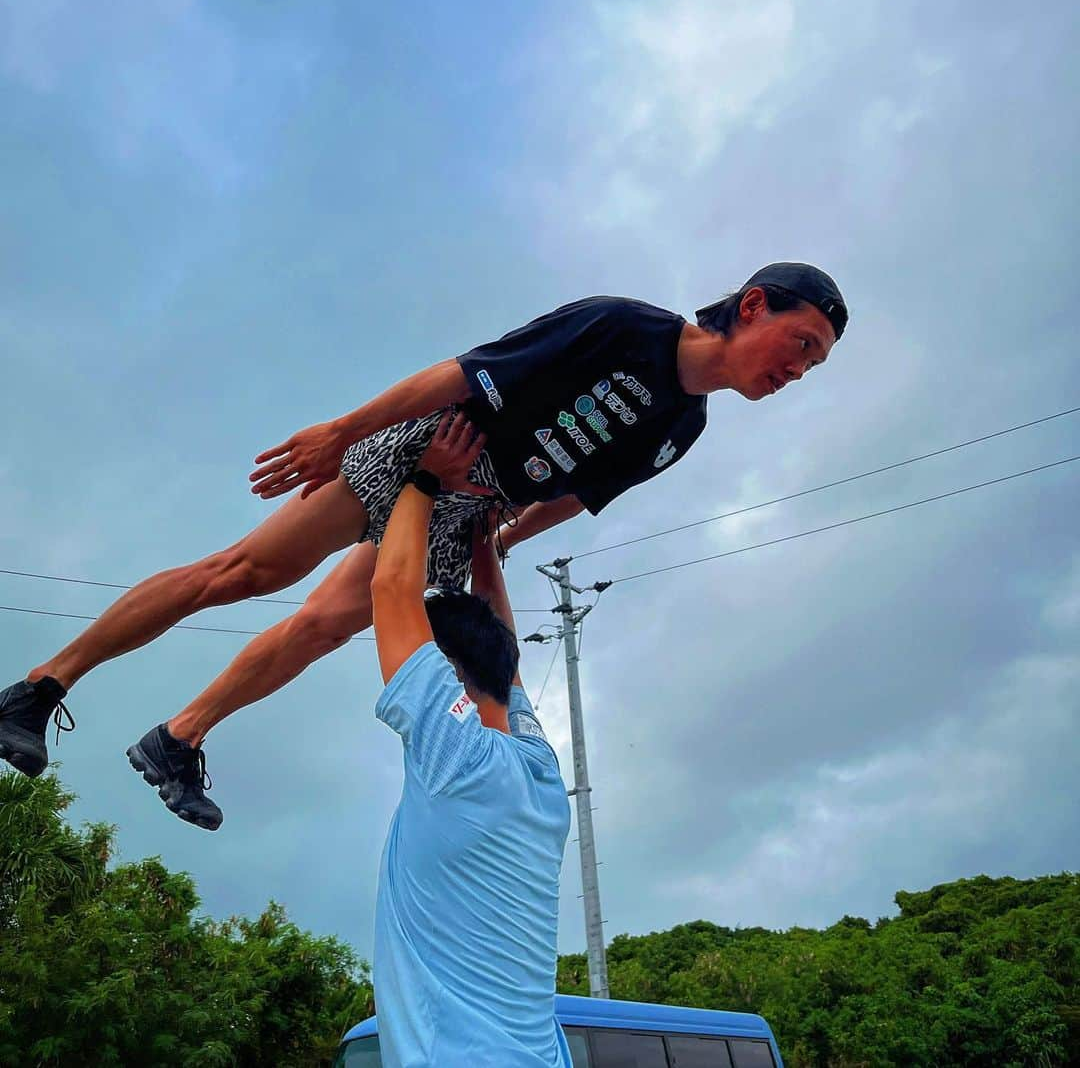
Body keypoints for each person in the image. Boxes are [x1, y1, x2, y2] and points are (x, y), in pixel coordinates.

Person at [0, 263, 848, 829]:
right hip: (434, 448)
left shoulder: (683, 426)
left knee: (325, 626)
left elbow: (576, 495)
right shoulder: (622, 327)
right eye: (800, 344)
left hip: (471, 509)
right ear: (751, 307)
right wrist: (345, 429)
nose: (799, 371)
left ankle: (179, 739)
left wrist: (499, 537)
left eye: (815, 365)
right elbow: (463, 372)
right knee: (245, 573)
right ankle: (40, 688)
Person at [369, 413, 573, 1067]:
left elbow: (390, 589)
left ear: (448, 671)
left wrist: (426, 478)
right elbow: (503, 654)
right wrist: (485, 544)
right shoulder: (538, 773)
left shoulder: (457, 756)